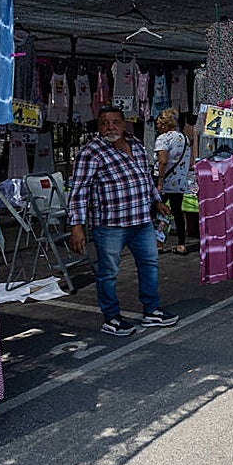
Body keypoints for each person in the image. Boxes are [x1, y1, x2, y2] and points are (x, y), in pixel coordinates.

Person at [68, 105, 178, 336]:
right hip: (110, 225)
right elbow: (78, 191)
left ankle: (151, 310)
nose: (111, 127)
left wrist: (157, 201)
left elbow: (144, 178)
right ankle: (111, 318)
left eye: (115, 122)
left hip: (141, 220)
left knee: (149, 265)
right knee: (108, 272)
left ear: (124, 123)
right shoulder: (91, 152)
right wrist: (76, 226)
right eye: (105, 123)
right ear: (98, 126)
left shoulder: (136, 144)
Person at [153, 109, 190, 255]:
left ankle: (157, 242)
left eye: (158, 124)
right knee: (177, 211)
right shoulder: (184, 138)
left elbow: (162, 161)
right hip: (179, 182)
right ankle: (181, 244)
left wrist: (159, 182)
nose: (156, 126)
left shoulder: (163, 138)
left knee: (156, 210)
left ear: (164, 124)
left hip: (165, 181)